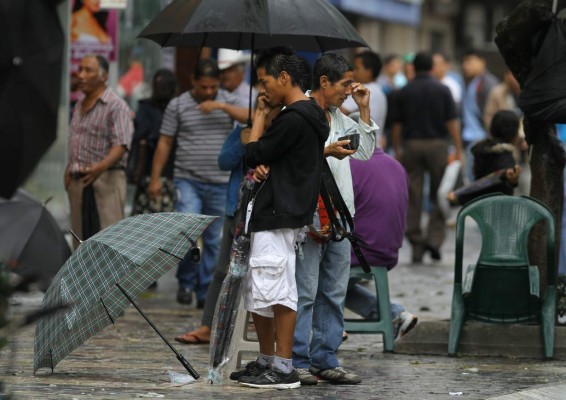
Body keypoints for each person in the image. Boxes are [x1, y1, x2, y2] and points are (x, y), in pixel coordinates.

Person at [230, 46, 329, 390]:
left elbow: (253, 152)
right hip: (280, 210)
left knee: (278, 289)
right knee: (261, 289)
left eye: (264, 81)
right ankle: (267, 360)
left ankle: (283, 367)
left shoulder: (293, 117)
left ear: (284, 78)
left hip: (278, 211)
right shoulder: (311, 114)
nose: (263, 89)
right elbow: (271, 158)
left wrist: (258, 117)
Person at [292, 53, 377, 386]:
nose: (349, 90)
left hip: (342, 218)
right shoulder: (299, 114)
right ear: (324, 82)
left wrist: (364, 110)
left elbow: (367, 152)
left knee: (333, 291)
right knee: (305, 292)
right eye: (344, 84)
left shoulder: (339, 117)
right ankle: (298, 359)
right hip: (311, 217)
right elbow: (292, 158)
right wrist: (325, 151)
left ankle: (325, 357)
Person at [148, 59, 248, 307]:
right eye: (203, 86)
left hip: (220, 182)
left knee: (214, 240)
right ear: (193, 81)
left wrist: (221, 106)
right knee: (186, 234)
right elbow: (165, 142)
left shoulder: (227, 99)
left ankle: (205, 291)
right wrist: (155, 178)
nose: (207, 91)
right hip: (187, 179)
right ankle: (186, 281)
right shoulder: (178, 105)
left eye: (212, 86)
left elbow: (252, 116)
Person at [390, 52, 463, 263]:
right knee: (440, 193)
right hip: (437, 145)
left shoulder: (403, 92)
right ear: (432, 67)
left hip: (411, 146)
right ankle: (434, 238)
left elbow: (397, 126)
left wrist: (398, 148)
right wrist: (457, 149)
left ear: (413, 67)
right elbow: (452, 122)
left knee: (413, 194)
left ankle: (415, 241)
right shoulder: (443, 90)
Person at [345, 147, 418, 339]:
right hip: (389, 251)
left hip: (360, 252)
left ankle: (328, 327)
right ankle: (396, 314)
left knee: (311, 272)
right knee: (344, 288)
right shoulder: (396, 165)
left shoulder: (349, 164)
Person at [65, 54, 133, 247]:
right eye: (80, 69)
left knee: (108, 243)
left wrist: (99, 168)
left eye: (88, 70)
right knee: (80, 242)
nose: (81, 75)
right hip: (78, 181)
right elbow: (77, 139)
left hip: (106, 180)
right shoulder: (79, 103)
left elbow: (121, 145)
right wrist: (69, 168)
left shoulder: (116, 106)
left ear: (103, 76)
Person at [447, 110, 521, 206]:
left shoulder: (482, 150)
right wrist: (460, 196)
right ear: (513, 133)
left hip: (480, 211)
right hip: (499, 210)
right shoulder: (505, 156)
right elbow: (489, 184)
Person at [129, 69, 177, 216]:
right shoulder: (146, 107)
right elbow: (141, 136)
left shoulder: (176, 107)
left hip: (174, 172)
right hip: (148, 171)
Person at [460, 50, 499, 180]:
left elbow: (491, 112)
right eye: (465, 62)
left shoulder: (488, 83)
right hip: (470, 136)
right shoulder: (472, 82)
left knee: (473, 177)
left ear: (482, 62)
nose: (466, 65)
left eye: (469, 61)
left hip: (480, 136)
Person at [341, 50, 388, 146]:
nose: (353, 72)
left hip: (365, 147)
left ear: (369, 71)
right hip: (373, 145)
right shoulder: (378, 89)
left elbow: (341, 110)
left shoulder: (364, 90)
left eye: (357, 68)